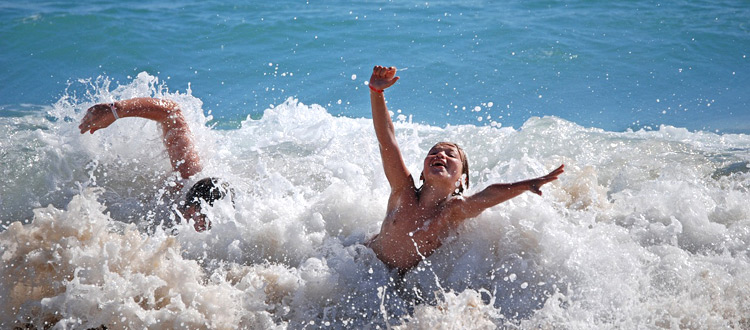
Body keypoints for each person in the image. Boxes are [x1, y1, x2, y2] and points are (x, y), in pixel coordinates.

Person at [365, 66, 565, 275]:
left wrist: (525, 185)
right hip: (365, 265)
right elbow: (387, 140)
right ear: (423, 174)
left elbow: (487, 195)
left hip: (397, 282)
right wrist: (376, 92)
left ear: (461, 180)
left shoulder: (451, 211)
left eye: (451, 155)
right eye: (434, 152)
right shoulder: (402, 190)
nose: (440, 155)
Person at [79, 97, 232, 232]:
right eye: (203, 221)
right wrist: (116, 110)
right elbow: (171, 112)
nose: (202, 228)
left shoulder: (232, 227)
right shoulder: (188, 175)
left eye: (208, 226)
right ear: (192, 208)